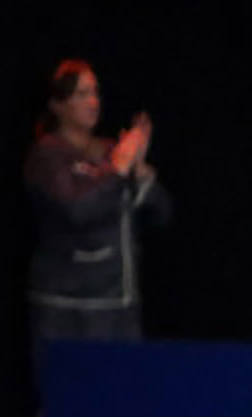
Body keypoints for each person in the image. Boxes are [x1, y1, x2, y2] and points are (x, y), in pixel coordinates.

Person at [24, 59, 170, 347]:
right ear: (57, 103)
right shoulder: (48, 155)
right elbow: (76, 209)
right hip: (71, 307)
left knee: (124, 388)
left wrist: (140, 172)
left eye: (95, 92)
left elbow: (161, 214)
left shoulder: (110, 151)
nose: (93, 101)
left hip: (120, 303)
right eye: (81, 94)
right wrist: (118, 169)